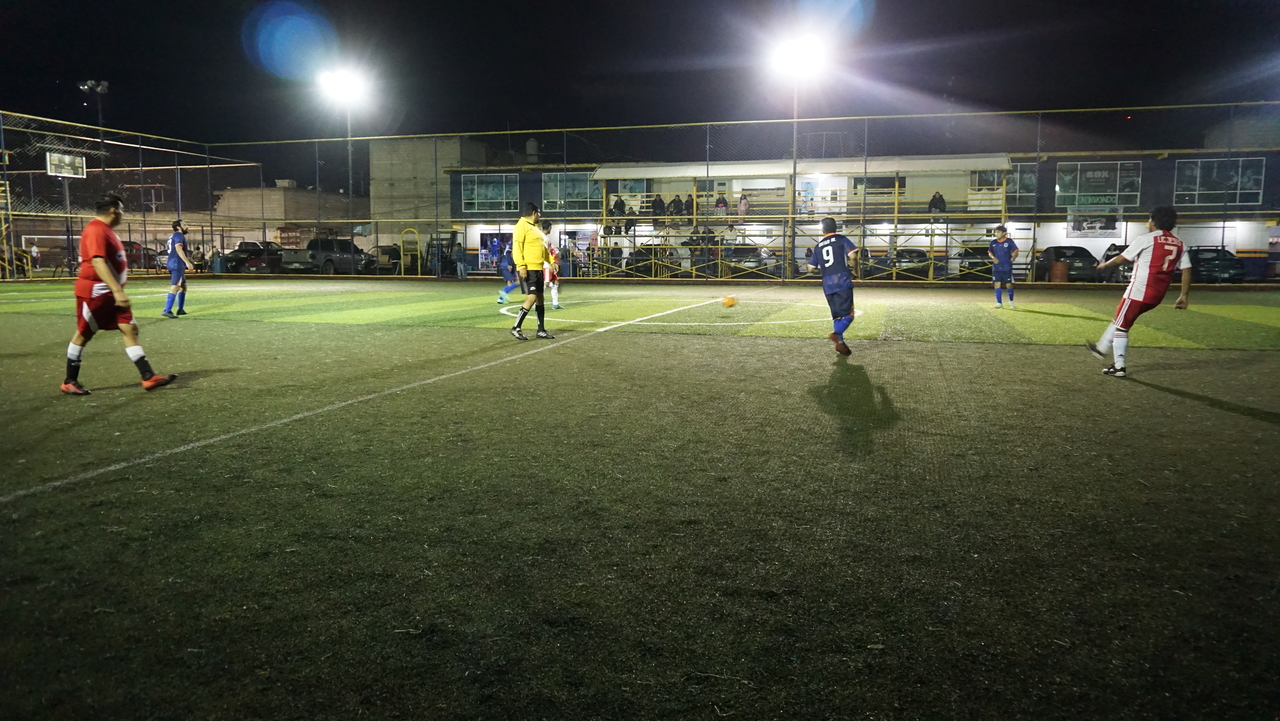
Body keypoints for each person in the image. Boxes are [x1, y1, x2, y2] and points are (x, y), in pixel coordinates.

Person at [60, 194, 176, 395]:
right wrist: (116, 290)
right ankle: (69, 381)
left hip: (110, 293)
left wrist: (116, 290)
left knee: (130, 329)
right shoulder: (96, 229)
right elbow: (97, 261)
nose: (123, 214)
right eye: (121, 210)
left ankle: (148, 376)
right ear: (113, 210)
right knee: (84, 334)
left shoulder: (105, 230)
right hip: (96, 292)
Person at [1086, 206, 1191, 378]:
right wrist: (1184, 295)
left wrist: (1104, 265)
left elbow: (1121, 259)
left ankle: (1119, 366)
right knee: (1121, 319)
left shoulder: (1147, 239)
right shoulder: (1180, 244)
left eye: (1149, 219)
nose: (1147, 223)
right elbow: (1187, 269)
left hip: (1139, 291)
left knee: (1122, 326)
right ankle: (1101, 348)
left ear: (1154, 221)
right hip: (1157, 295)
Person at [807, 217, 859, 356]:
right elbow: (853, 257)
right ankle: (837, 334)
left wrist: (822, 271)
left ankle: (840, 344)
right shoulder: (841, 239)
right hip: (842, 280)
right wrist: (855, 272)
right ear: (836, 228)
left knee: (837, 316)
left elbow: (810, 269)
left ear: (823, 230)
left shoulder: (818, 246)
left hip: (827, 284)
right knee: (849, 314)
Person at [510, 203, 554, 340]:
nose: (540, 216)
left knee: (540, 298)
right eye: (539, 213)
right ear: (534, 213)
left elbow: (542, 248)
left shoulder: (534, 228)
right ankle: (516, 327)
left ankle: (541, 330)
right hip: (529, 269)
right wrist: (521, 266)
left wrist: (551, 261)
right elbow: (517, 247)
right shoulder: (521, 226)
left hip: (538, 268)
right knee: (532, 297)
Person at [162, 220, 195, 318]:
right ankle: (167, 310)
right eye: (184, 224)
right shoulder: (179, 235)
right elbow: (178, 249)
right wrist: (187, 262)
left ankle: (180, 309)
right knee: (175, 286)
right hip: (177, 263)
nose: (187, 226)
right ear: (178, 227)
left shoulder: (173, 236)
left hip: (172, 262)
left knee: (183, 286)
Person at [988, 225, 1018, 309]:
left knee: (1009, 284)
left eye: (998, 232)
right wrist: (993, 258)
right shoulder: (993, 242)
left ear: (1004, 233)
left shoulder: (1009, 241)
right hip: (996, 267)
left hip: (1006, 266)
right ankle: (999, 303)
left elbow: (1016, 251)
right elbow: (990, 252)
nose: (996, 234)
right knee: (997, 283)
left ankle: (1011, 302)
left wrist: (1014, 257)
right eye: (995, 232)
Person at [541, 220, 564, 309]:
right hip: (546, 265)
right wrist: (550, 264)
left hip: (549, 263)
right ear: (549, 227)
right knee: (546, 283)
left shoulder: (545, 237)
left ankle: (555, 304)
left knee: (555, 282)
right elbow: (544, 253)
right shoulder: (544, 238)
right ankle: (536, 302)